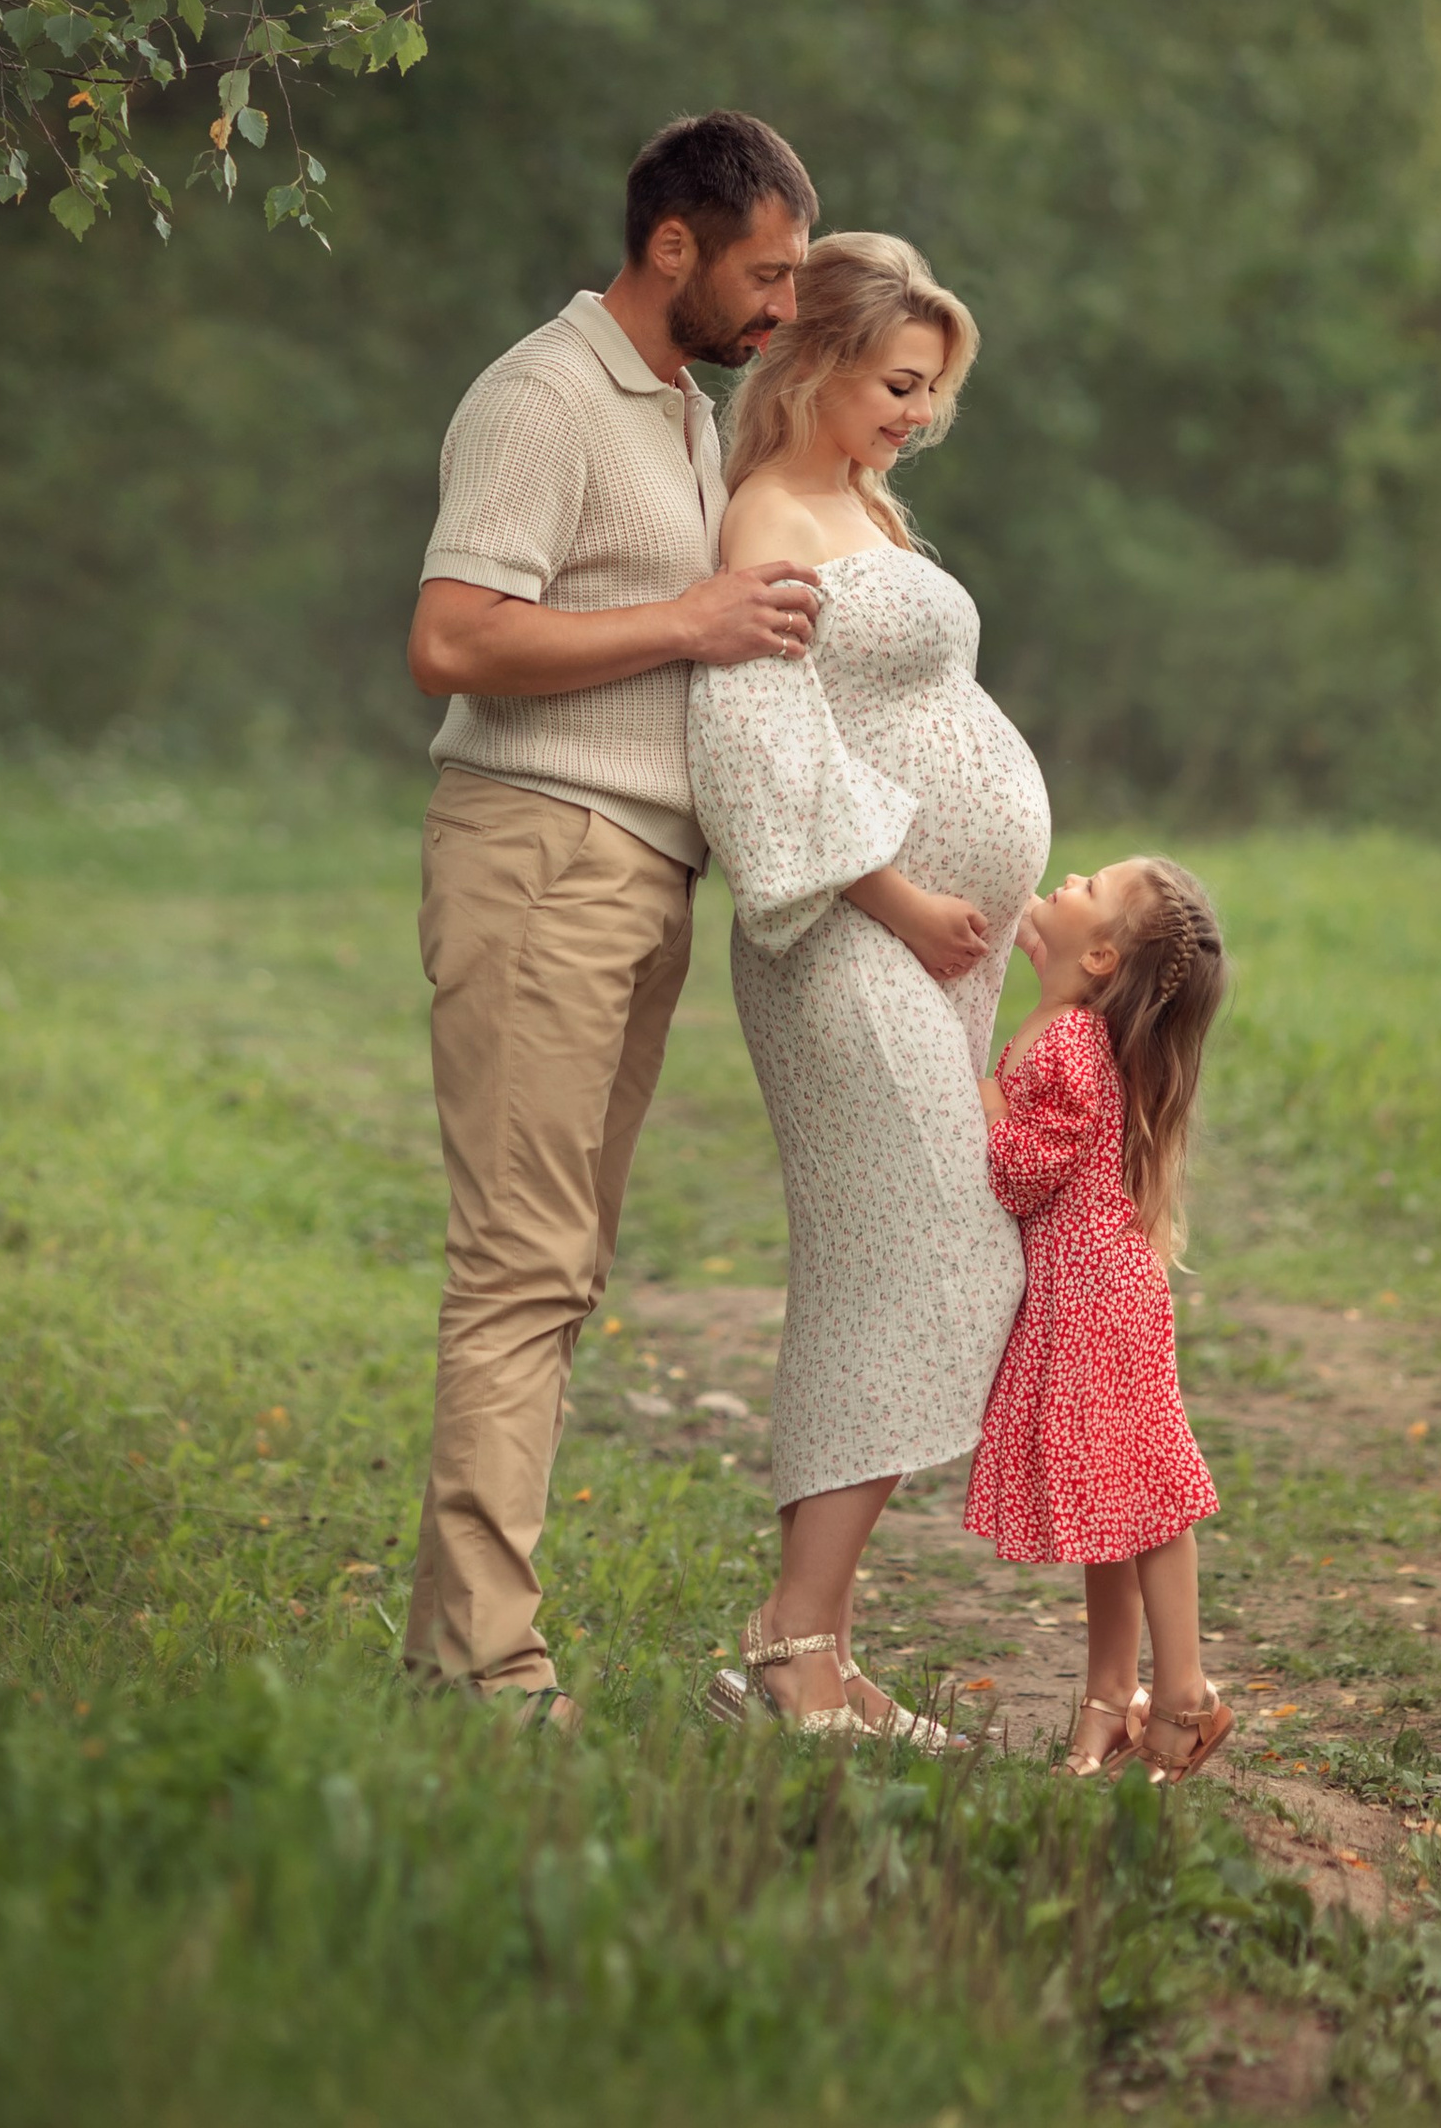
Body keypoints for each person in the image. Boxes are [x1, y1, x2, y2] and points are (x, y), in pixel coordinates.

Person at [401, 108, 824, 1721]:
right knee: (519, 1265)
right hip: (537, 855)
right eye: (764, 274)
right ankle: (482, 1670)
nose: (778, 309)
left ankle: (473, 1641)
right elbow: (452, 638)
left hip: (637, 872)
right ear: (673, 247)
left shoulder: (676, 410)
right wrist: (692, 618)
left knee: (562, 1267)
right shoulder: (542, 397)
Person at [688, 232, 1044, 1744]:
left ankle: (812, 1650)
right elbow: (758, 738)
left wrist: (1014, 894)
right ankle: (790, 1644)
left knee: (906, 1261)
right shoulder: (767, 514)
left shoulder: (863, 505)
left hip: (925, 955)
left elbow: (916, 713)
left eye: (931, 391)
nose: (916, 412)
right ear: (818, 358)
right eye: (899, 382)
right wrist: (899, 893)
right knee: (932, 1249)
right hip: (839, 939)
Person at [964, 858, 1233, 1782]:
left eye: (1092, 884)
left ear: (1103, 955)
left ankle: (1188, 1694)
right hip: (1083, 1296)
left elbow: (1022, 1173)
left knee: (1145, 1500)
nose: (1070, 874)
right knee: (1110, 1510)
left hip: (1098, 1302)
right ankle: (1110, 1706)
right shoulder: (1065, 1024)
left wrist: (983, 1101)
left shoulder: (1071, 1043)